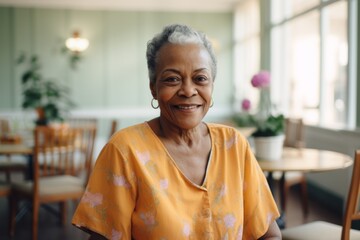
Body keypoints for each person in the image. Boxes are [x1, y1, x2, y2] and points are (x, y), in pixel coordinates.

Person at [72, 24, 281, 240]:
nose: (188, 91)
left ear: (211, 86)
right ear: (153, 87)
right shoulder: (124, 151)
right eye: (172, 79)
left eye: (200, 78)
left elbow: (269, 235)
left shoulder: (235, 145)